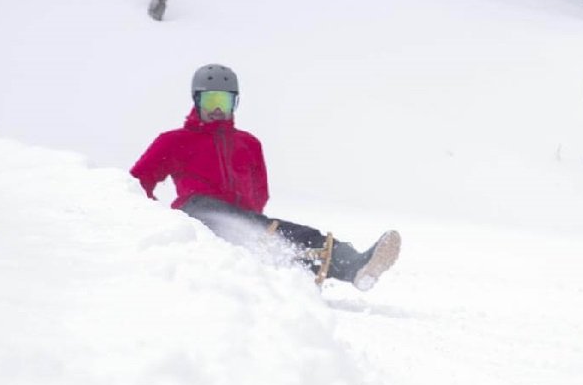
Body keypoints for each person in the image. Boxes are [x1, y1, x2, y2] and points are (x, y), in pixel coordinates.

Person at [131, 64, 400, 290]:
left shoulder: (248, 144)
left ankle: (356, 267)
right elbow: (136, 182)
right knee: (222, 214)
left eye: (223, 102)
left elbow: (260, 192)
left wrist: (257, 224)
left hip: (241, 220)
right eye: (211, 101)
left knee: (292, 238)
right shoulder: (175, 141)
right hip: (197, 214)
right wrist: (155, 218)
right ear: (197, 100)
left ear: (234, 102)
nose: (217, 109)